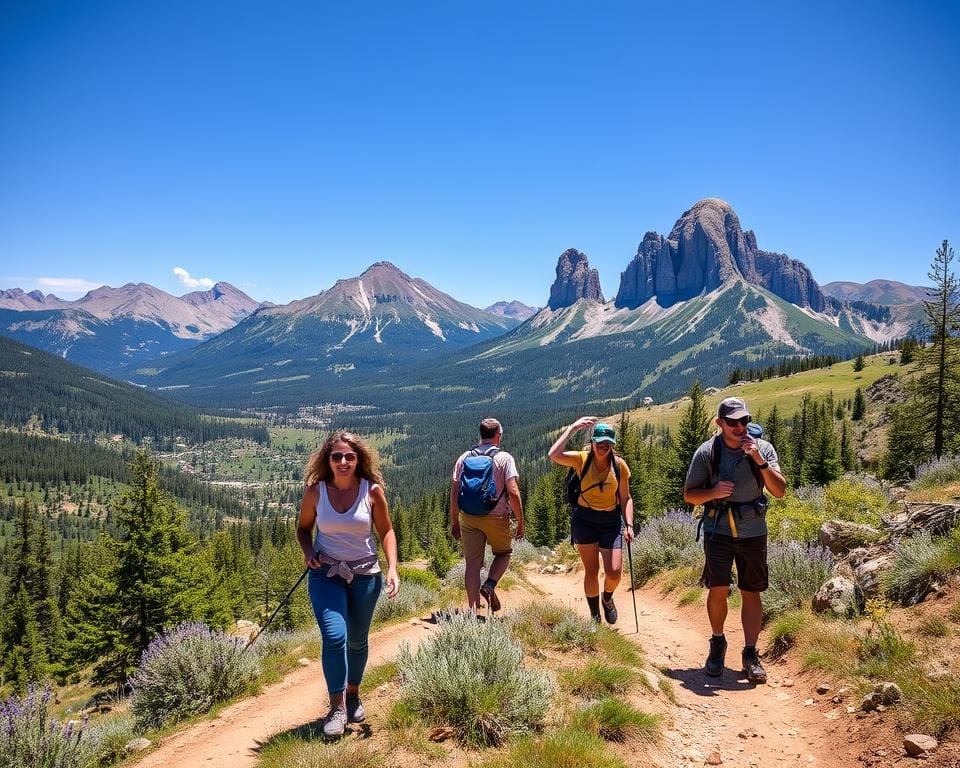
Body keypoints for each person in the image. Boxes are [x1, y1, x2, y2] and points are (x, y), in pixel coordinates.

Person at [297, 431, 400, 738]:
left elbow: (386, 531)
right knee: (334, 636)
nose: (343, 462)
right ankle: (337, 706)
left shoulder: (372, 492)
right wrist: (307, 552)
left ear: (359, 460)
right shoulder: (316, 491)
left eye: (349, 457)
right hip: (326, 574)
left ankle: (353, 693)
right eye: (337, 456)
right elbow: (303, 529)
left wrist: (393, 568)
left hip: (366, 576)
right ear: (327, 460)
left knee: (357, 640)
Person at [683, 397, 786, 683]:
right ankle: (718, 643)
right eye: (733, 423)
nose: (741, 427)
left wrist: (759, 461)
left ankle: (751, 653)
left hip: (753, 530)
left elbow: (779, 491)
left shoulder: (763, 449)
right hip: (718, 530)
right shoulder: (707, 453)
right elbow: (690, 494)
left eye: (744, 421)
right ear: (720, 424)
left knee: (751, 591)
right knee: (718, 588)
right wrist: (713, 492)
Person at [548, 417, 635, 624]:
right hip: (584, 519)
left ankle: (607, 598)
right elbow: (554, 455)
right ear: (593, 443)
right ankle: (595, 617)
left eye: (608, 443)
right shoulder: (581, 459)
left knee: (614, 573)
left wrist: (629, 524)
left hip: (610, 521)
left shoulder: (620, 466)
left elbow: (626, 497)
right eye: (600, 443)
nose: (603, 447)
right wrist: (572, 428)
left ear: (612, 445)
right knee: (592, 570)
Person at [450, 418, 525, 614]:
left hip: (468, 517)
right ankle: (490, 584)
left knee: (472, 565)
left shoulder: (464, 457)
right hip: (496, 517)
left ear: (480, 435)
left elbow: (454, 492)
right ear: (498, 436)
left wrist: (454, 521)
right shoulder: (504, 458)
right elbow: (514, 493)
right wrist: (520, 521)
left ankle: (474, 611)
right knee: (503, 553)